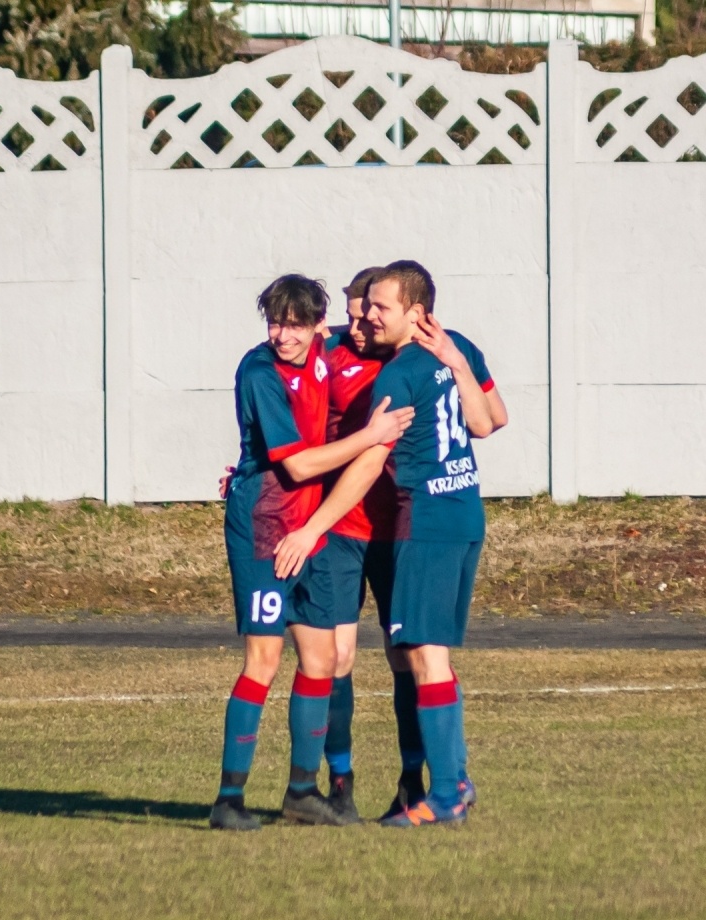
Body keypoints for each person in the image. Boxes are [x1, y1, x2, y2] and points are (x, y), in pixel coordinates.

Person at [275, 260, 494, 828]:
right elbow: (490, 423)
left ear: (415, 314)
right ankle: (438, 783)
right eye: (361, 308)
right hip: (462, 514)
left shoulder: (399, 375)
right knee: (421, 654)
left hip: (420, 522)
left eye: (377, 309)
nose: (365, 319)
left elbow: (372, 462)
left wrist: (310, 526)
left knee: (423, 657)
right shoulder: (454, 347)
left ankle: (444, 791)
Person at [210, 273, 416, 831]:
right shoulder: (260, 372)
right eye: (275, 324)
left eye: (295, 325)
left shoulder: (327, 349)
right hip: (264, 529)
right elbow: (298, 466)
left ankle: (303, 792)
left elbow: (370, 330)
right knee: (265, 659)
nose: (283, 336)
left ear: (318, 326)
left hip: (312, 533)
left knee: (322, 661)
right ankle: (229, 800)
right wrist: (372, 435)